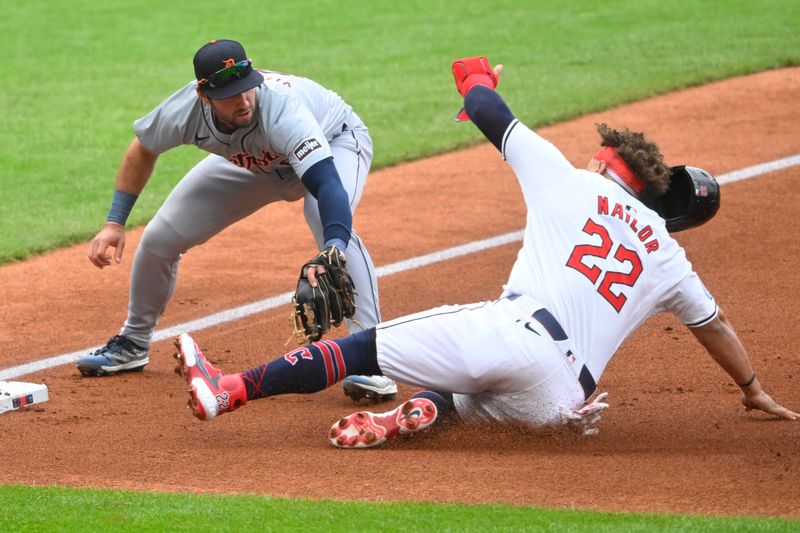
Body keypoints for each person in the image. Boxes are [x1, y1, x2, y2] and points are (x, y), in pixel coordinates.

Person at [173, 56, 797, 449]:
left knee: (368, 345)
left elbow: (485, 108)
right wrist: (751, 388)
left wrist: (475, 76)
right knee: (463, 386)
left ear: (611, 165)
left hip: (516, 336)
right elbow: (714, 327)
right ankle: (416, 412)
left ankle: (227, 389)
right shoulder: (666, 253)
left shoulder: (573, 182)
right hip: (562, 400)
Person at [77, 39, 397, 403]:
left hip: (336, 141)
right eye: (229, 94)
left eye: (246, 88)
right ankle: (132, 343)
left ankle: (370, 359)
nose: (243, 100)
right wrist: (115, 222)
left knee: (325, 221)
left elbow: (325, 183)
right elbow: (143, 148)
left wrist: (334, 246)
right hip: (253, 161)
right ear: (204, 94)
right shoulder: (184, 110)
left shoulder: (282, 109)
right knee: (160, 239)